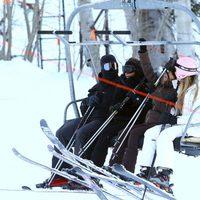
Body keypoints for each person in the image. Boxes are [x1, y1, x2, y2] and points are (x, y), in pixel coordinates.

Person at [36, 54, 121, 188]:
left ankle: (80, 172)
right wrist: (88, 101)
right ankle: (59, 175)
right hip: (88, 118)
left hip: (103, 120)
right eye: (107, 66)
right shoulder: (98, 86)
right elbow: (84, 107)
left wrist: (109, 106)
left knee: (81, 133)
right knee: (62, 132)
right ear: (102, 67)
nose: (111, 69)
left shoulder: (120, 85)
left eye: (114, 66)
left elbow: (122, 106)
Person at [109, 39, 177, 174]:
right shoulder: (159, 84)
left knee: (133, 133)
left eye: (167, 74)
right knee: (125, 131)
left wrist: (154, 92)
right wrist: (143, 52)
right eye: (163, 74)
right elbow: (147, 70)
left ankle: (128, 169)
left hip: (159, 123)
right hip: (150, 121)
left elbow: (166, 103)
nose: (163, 76)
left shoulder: (173, 90)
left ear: (174, 76)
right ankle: (114, 165)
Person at [138, 56, 200, 193]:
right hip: (182, 125)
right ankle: (146, 170)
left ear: (182, 72)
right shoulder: (182, 89)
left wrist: (175, 120)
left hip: (193, 127)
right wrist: (171, 112)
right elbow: (178, 110)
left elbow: (195, 117)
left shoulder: (197, 91)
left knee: (165, 135)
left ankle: (164, 175)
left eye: (176, 69)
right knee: (151, 132)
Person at [88, 57, 150, 167]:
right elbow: (116, 99)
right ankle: (92, 163)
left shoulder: (142, 85)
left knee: (106, 133)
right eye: (124, 69)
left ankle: (101, 164)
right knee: (101, 131)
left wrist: (135, 98)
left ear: (136, 70)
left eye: (130, 69)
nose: (126, 72)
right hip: (119, 118)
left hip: (133, 120)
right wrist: (115, 107)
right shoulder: (122, 82)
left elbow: (146, 106)